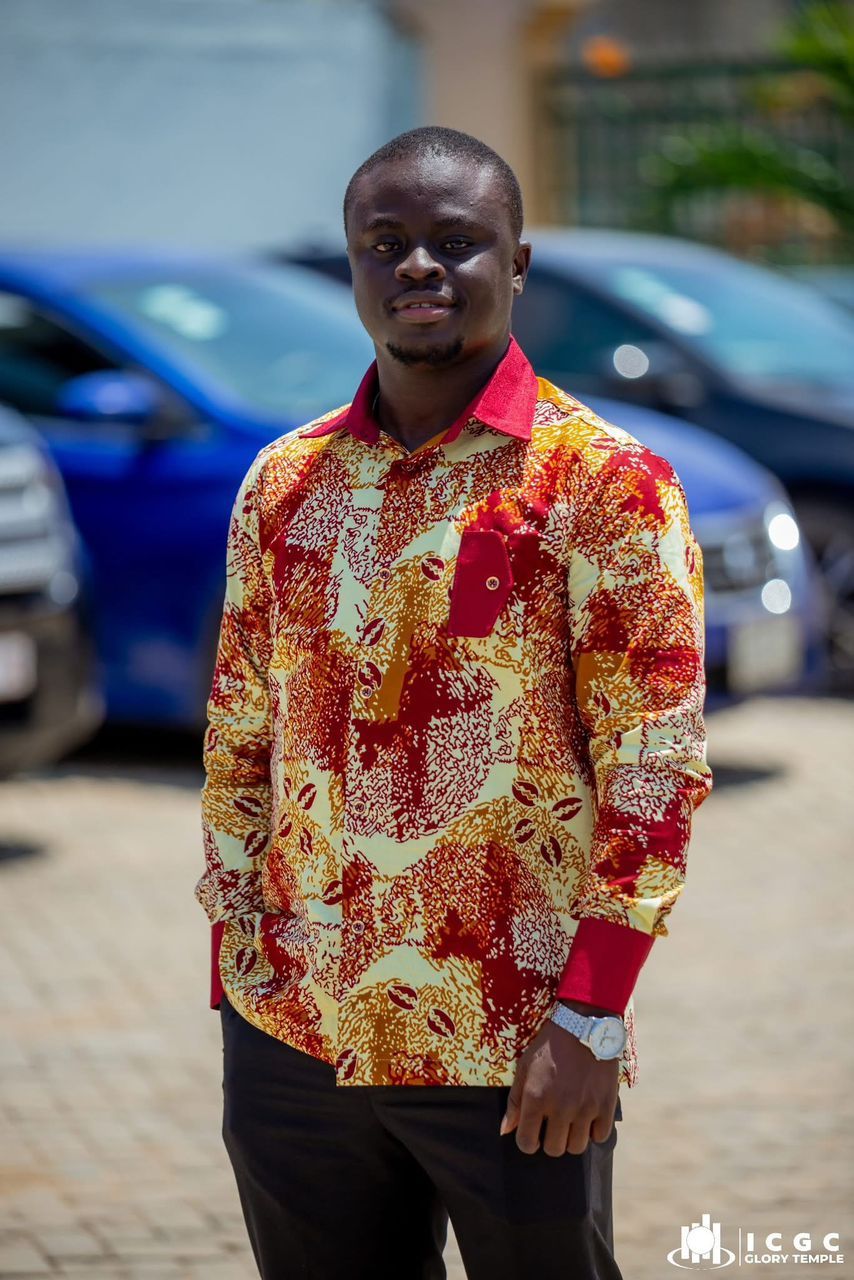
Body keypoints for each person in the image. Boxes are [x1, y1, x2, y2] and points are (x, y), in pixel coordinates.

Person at [195, 126, 713, 1280]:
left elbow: (654, 765)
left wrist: (590, 1012)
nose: (417, 265)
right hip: (295, 1035)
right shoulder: (283, 482)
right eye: (384, 243)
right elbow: (238, 737)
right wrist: (237, 960)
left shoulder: (603, 481)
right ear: (351, 266)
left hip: (512, 1039)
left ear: (515, 264)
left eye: (455, 241)